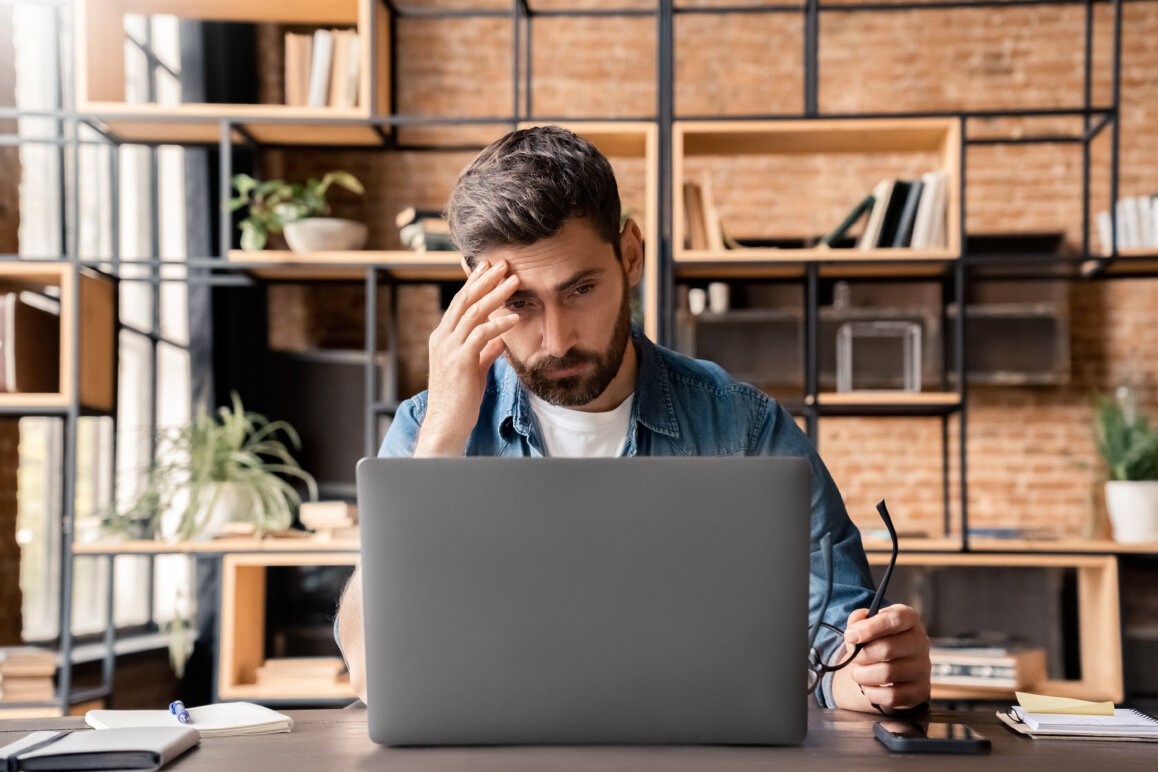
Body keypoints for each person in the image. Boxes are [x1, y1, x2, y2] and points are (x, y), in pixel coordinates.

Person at [336, 125, 931, 714]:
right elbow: (370, 672)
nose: (556, 338)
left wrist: (870, 675)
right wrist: (441, 441)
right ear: (474, 290)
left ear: (631, 255)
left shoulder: (745, 429)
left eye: (581, 289)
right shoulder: (428, 427)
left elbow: (834, 646)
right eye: (519, 302)